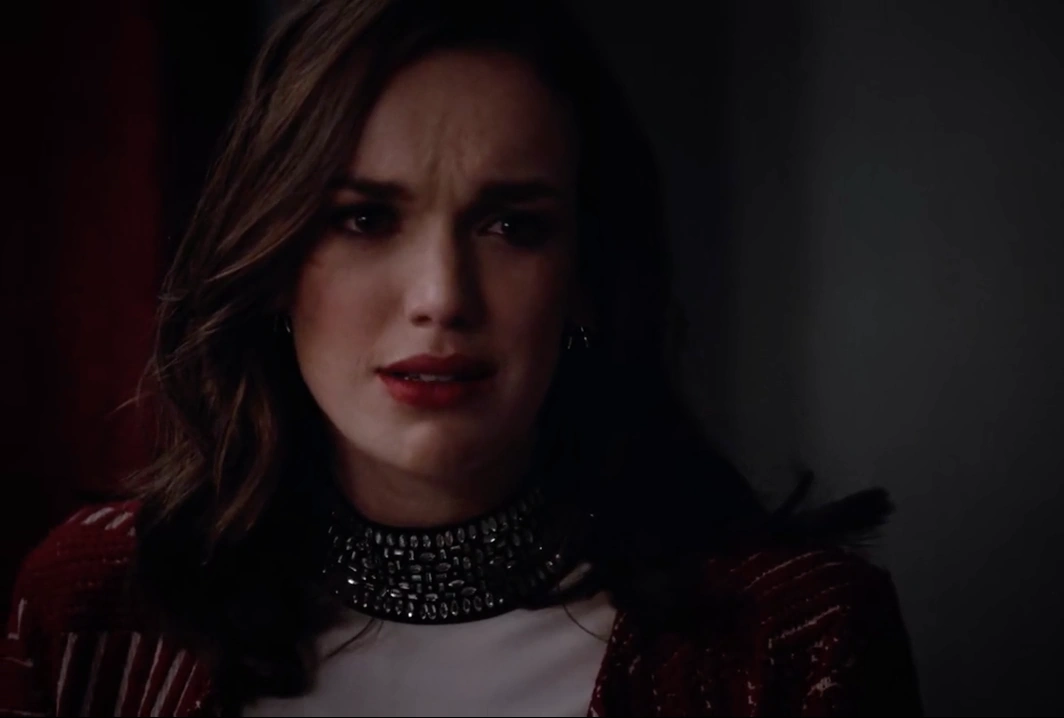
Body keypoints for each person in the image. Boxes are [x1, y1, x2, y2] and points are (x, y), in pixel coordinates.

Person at [0, 1, 921, 715]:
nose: (441, 295)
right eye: (365, 219)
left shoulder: (794, 638)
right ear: (273, 261)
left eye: (512, 226)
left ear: (586, 277)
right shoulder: (91, 606)